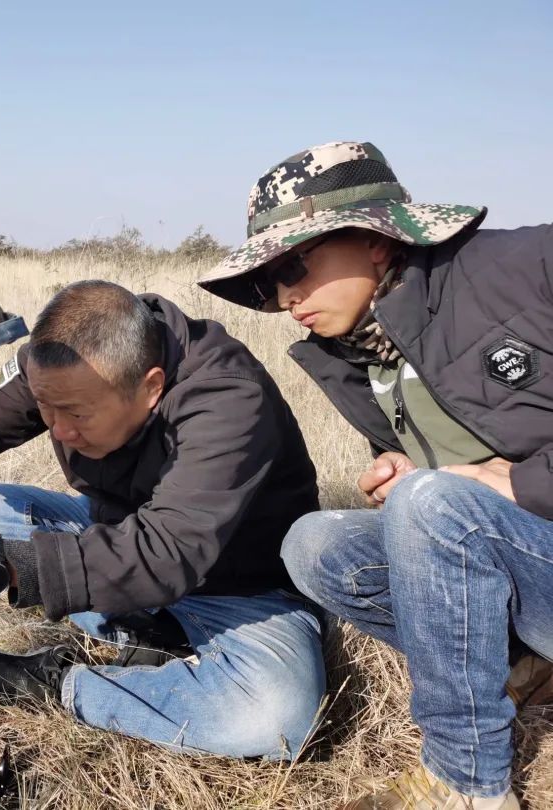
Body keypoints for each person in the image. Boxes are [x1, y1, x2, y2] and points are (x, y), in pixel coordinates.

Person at [198, 140, 553, 809]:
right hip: (527, 574)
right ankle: (518, 667)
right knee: (315, 544)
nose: (287, 296)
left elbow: (480, 491)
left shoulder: (529, 265)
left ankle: (466, 783)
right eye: (269, 283)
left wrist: (518, 485)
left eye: (295, 265)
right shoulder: (362, 352)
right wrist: (414, 471)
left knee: (431, 502)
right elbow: (463, 483)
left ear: (376, 240)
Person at [0, 260, 326, 760]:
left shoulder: (227, 397)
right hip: (124, 540)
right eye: (45, 407)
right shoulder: (64, 362)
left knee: (276, 717)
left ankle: (58, 683)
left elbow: (168, 550)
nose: (58, 429)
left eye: (77, 413)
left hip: (239, 586)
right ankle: (149, 634)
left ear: (151, 387)